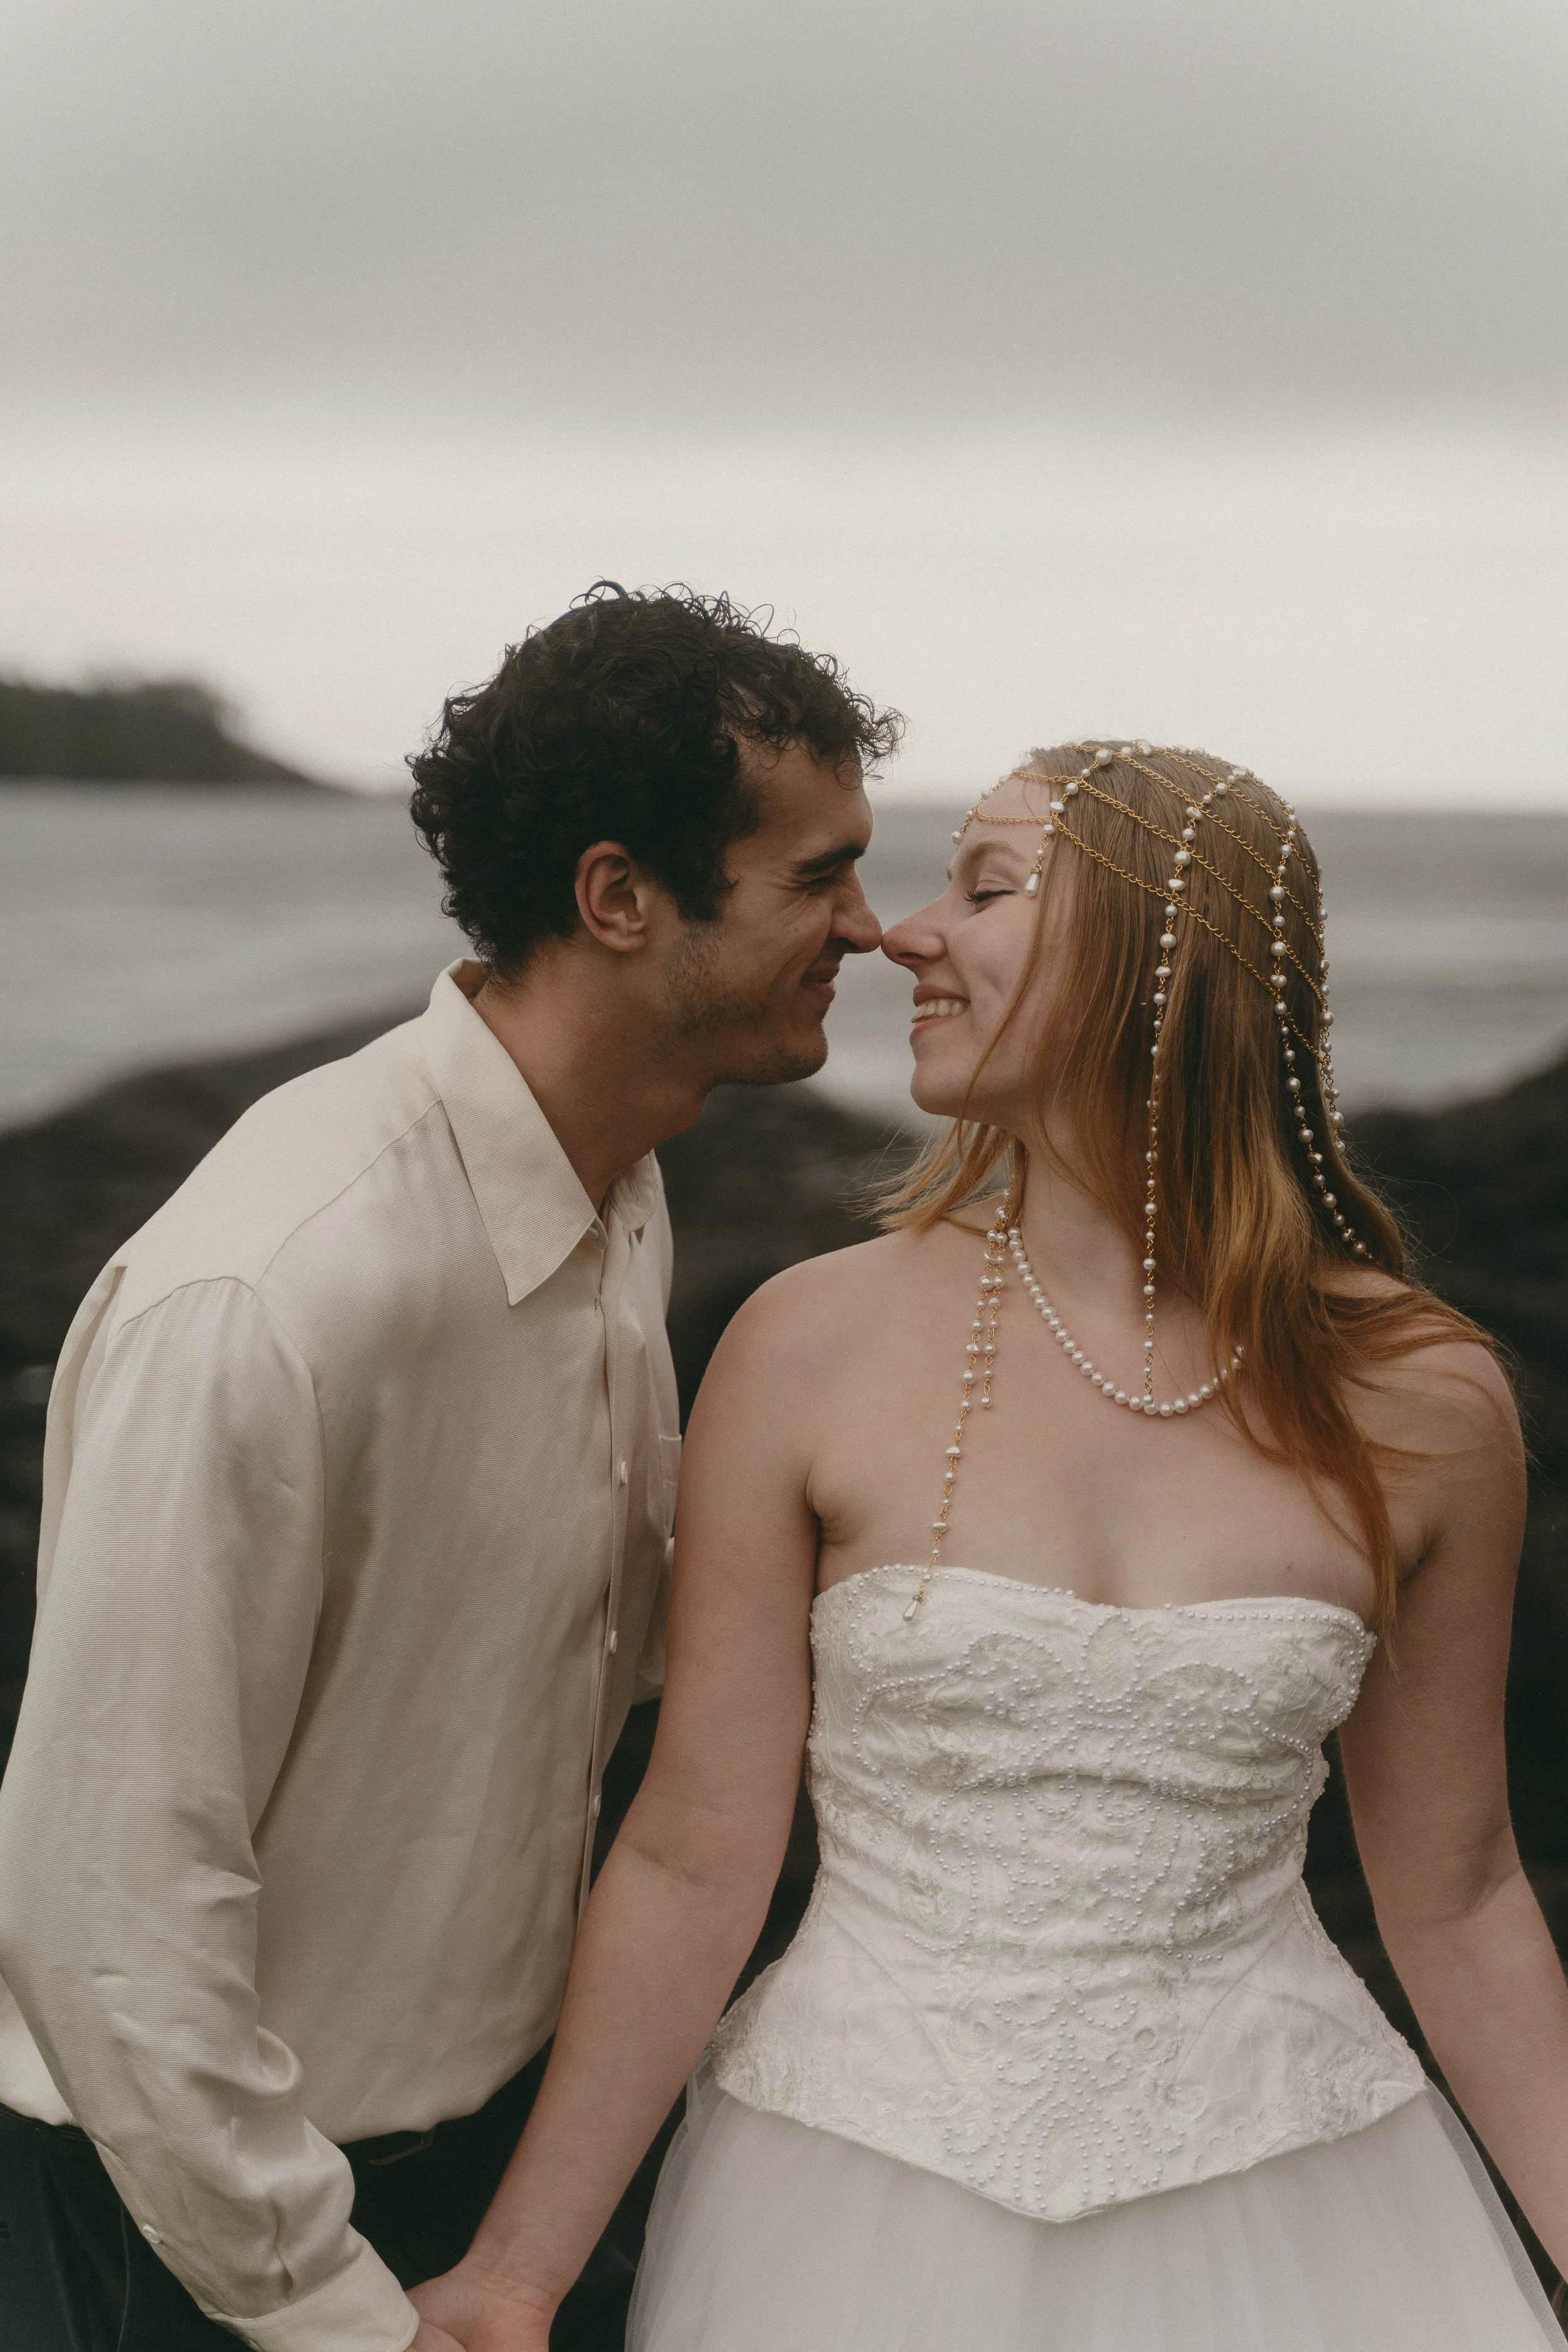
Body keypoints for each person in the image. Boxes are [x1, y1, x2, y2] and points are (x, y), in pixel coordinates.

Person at [410, 741, 1567, 2351]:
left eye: (985, 887)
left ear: (1162, 959)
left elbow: (1457, 1892)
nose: (899, 936)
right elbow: (690, 1852)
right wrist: (519, 2272)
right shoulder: (802, 1344)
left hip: (1299, 2194)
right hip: (848, 2196)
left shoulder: (1423, 1397)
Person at [0, 584, 896, 2352]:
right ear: (619, 895)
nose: (869, 928)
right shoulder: (275, 1290)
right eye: (818, 875)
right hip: (193, 2234)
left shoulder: (617, 1181)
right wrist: (333, 2313)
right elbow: (103, 1897)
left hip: (470, 2169)